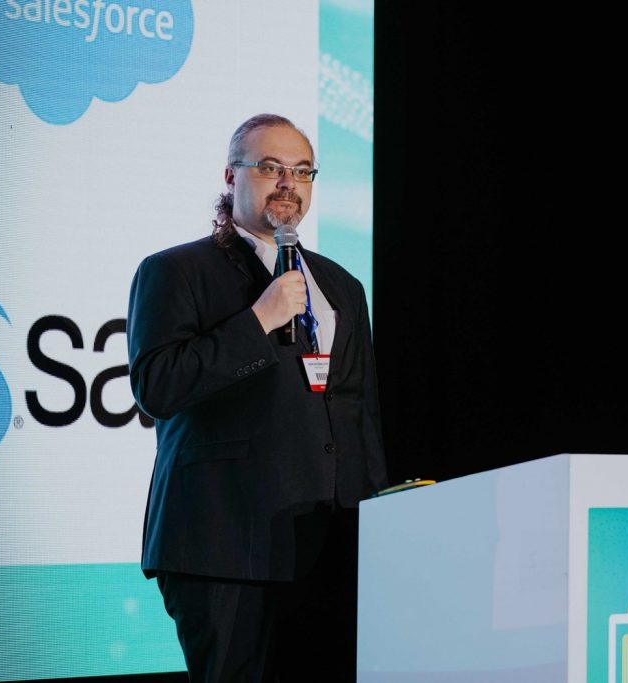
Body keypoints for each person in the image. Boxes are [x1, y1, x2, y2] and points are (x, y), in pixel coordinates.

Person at [127, 113, 387, 681]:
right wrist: (257, 321)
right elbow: (156, 387)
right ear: (231, 175)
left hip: (328, 545)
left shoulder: (342, 286)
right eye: (271, 167)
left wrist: (378, 520)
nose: (288, 183)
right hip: (225, 544)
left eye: (302, 170)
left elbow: (357, 412)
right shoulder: (176, 271)